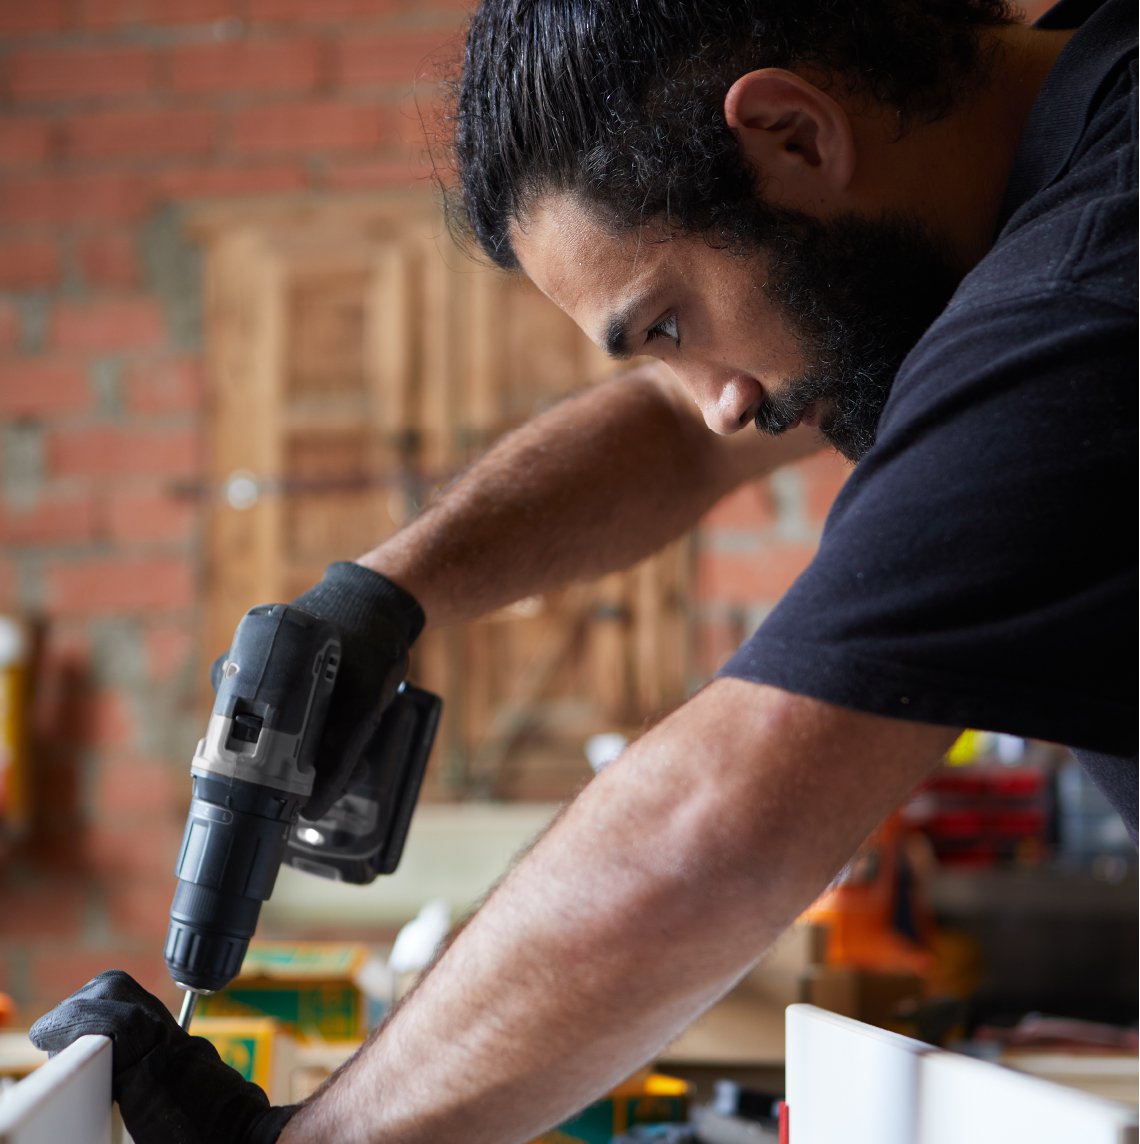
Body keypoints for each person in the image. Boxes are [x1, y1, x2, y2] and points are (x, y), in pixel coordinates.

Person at [31, 0, 1136, 1140]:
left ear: (797, 136)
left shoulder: (1088, 290)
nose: (722, 401)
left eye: (665, 320)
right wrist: (387, 593)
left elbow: (721, 820)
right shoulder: (1045, 134)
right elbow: (674, 436)